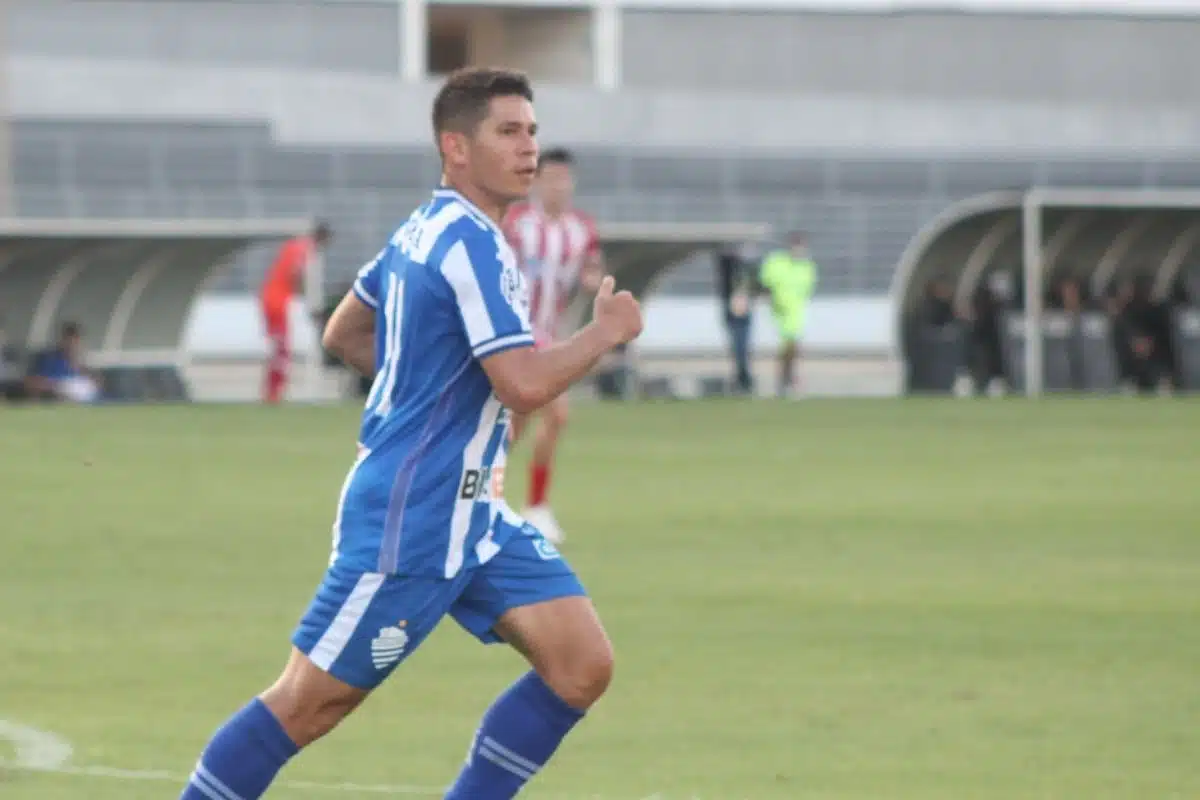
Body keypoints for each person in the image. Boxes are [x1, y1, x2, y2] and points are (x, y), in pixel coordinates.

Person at [177, 67, 643, 800]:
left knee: (580, 664)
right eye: (508, 132)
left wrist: (425, 391)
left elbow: (345, 330)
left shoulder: (425, 229)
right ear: (455, 147)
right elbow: (522, 384)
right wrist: (604, 334)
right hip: (413, 515)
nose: (528, 147)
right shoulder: (471, 245)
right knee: (307, 703)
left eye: (531, 131)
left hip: (474, 514)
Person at [502, 147, 604, 543]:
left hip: (548, 334)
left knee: (517, 424)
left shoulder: (582, 229)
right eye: (551, 179)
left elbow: (592, 268)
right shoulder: (517, 223)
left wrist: (595, 282)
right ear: (536, 181)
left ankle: (481, 496)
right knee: (557, 413)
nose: (558, 186)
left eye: (564, 179)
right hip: (514, 334)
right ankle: (535, 506)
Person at [259, 220, 333, 404]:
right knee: (281, 349)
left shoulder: (294, 245)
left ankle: (273, 392)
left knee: (280, 348)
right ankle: (273, 394)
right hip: (275, 301)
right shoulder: (305, 249)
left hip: (274, 298)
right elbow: (296, 273)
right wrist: (310, 303)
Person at [759, 231, 818, 397]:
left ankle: (789, 381)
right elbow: (765, 283)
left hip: (796, 312)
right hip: (778, 312)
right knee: (787, 348)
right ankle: (788, 381)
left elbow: (807, 291)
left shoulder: (807, 267)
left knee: (793, 348)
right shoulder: (776, 262)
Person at [24, 322, 100, 404]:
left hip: (82, 403)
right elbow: (31, 383)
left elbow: (96, 386)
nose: (72, 345)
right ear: (62, 340)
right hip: (53, 400)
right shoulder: (47, 360)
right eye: (69, 340)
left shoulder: (82, 365)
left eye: (76, 341)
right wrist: (57, 387)